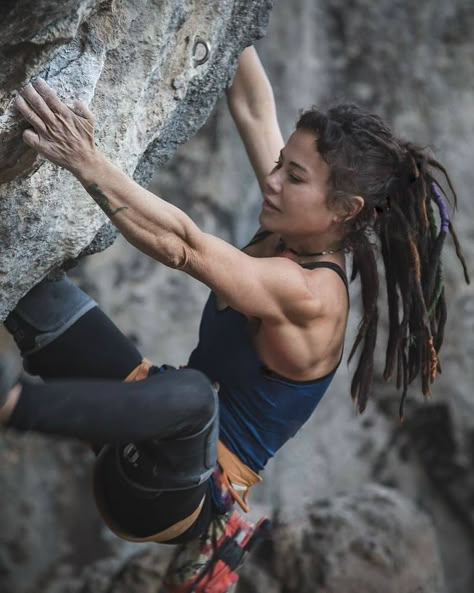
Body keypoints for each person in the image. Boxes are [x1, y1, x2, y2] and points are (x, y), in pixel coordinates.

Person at [0, 46, 469, 593]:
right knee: (27, 275)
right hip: (138, 417)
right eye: (279, 165)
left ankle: (12, 403)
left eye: (293, 176)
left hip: (171, 496)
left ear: (345, 210)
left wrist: (85, 159)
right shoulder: (292, 220)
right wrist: (232, 27)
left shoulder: (312, 295)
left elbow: (183, 247)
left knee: (194, 394)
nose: (272, 180)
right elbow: (251, 105)